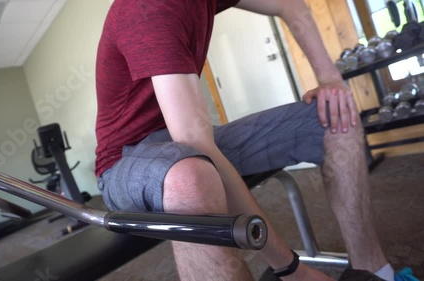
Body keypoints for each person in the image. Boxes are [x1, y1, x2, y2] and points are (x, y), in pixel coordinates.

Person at [94, 0, 418, 280]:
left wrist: (330, 79)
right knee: (191, 180)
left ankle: (375, 272)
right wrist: (292, 269)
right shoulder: (149, 9)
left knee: (335, 116)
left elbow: (289, 4)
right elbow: (196, 144)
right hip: (125, 161)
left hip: (187, 141)